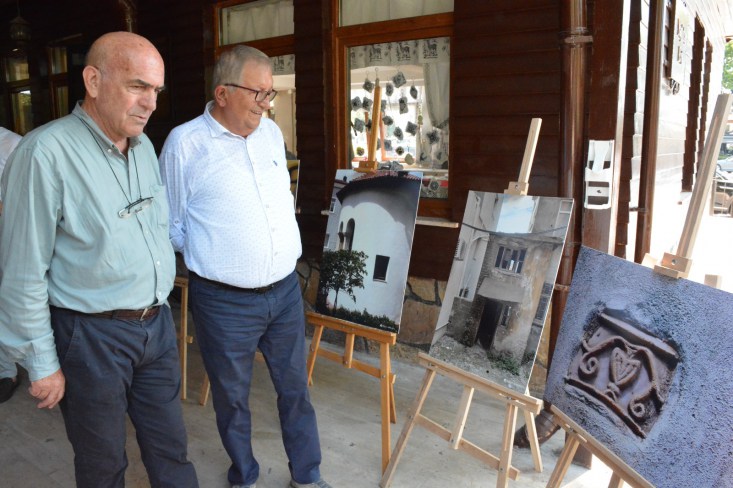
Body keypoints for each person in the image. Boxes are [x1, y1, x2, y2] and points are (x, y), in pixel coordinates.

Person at [0, 32, 198, 488]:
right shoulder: (44, 153)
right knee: (102, 462)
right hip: (91, 336)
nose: (150, 103)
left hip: (155, 326)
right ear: (93, 81)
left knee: (171, 447)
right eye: (137, 86)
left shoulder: (142, 147)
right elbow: (22, 272)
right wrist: (42, 362)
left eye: (156, 90)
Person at [159, 45, 330, 488]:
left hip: (284, 292)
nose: (265, 103)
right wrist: (216, 255)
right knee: (232, 398)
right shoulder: (185, 144)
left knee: (296, 390)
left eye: (269, 93)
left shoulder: (270, 134)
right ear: (222, 93)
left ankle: (307, 476)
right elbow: (170, 223)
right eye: (258, 93)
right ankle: (245, 476)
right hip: (224, 302)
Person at [0, 126, 22, 403]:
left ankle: (8, 371)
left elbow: (26, 199)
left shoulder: (13, 144)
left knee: (9, 303)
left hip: (10, 238)